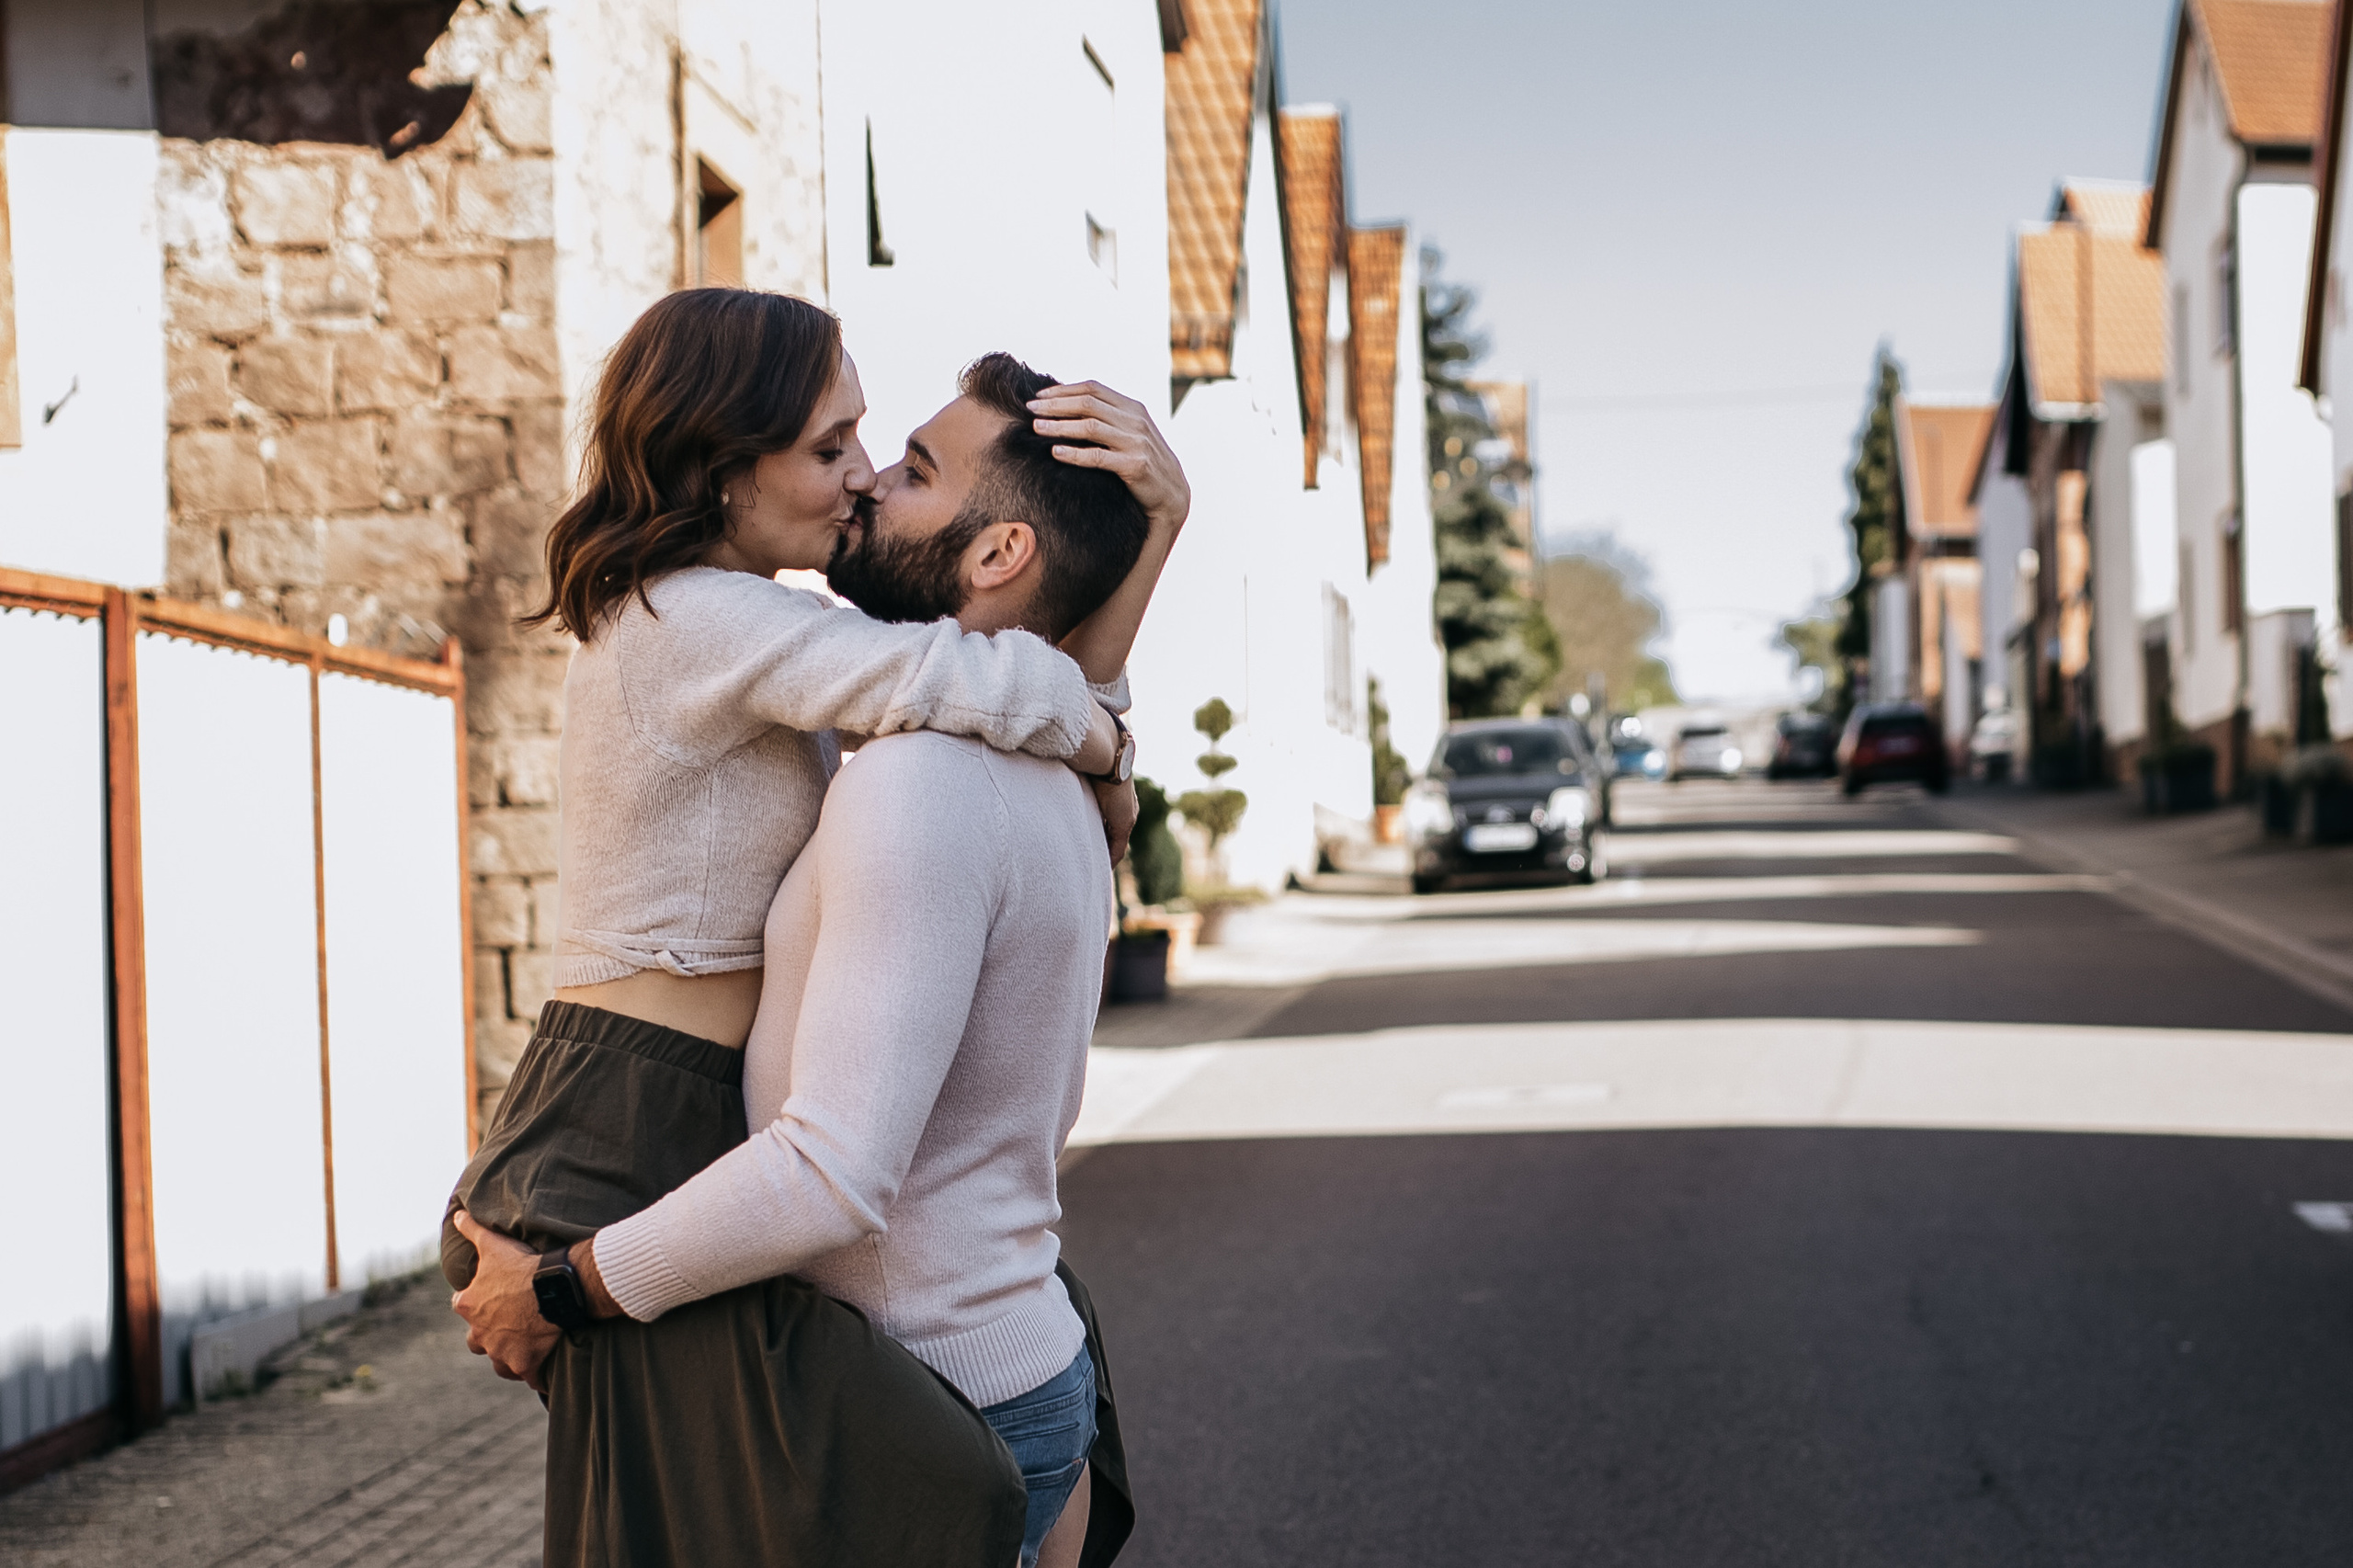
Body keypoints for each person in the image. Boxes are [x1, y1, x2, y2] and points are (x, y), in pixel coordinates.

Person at [440, 294, 1184, 1566]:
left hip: (697, 1128)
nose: (859, 479)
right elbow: (967, 675)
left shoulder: (800, 655)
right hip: (624, 1128)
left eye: (885, 457)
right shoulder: (691, 621)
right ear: (726, 471)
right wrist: (1111, 719)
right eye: (836, 446)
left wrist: (1139, 555)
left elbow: (994, 677)